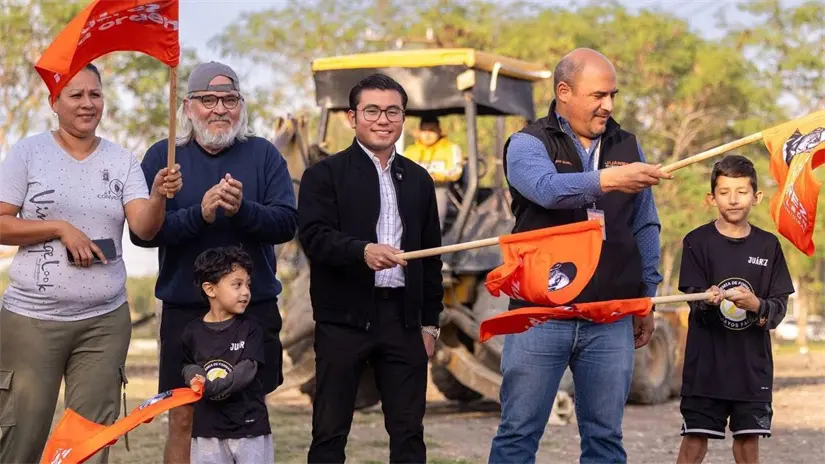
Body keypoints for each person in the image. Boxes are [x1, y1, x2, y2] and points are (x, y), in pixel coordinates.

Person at [487, 48, 673, 463]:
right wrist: (609, 179)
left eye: (613, 95)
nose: (608, 105)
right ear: (564, 91)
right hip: (540, 315)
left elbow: (645, 223)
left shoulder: (627, 144)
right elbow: (547, 190)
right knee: (518, 433)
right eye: (598, 95)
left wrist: (648, 294)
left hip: (610, 316)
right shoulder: (526, 143)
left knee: (605, 438)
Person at [0, 63, 182, 464]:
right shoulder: (28, 153)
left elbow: (145, 229)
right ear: (54, 102)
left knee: (89, 444)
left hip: (103, 322)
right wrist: (59, 228)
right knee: (20, 439)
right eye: (76, 95)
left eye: (94, 95)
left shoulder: (121, 161)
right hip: (32, 322)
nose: (87, 103)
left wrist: (157, 196)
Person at [129, 61, 298, 464]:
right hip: (186, 311)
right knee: (184, 417)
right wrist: (198, 215)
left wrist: (242, 210)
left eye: (230, 99)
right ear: (188, 107)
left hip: (249, 308)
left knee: (247, 414)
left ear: (241, 106)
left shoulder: (263, 155)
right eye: (208, 100)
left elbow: (287, 222)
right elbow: (141, 234)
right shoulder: (163, 156)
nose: (219, 108)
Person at [298, 73, 444, 464]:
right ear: (352, 117)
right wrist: (361, 252)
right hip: (343, 319)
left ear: (403, 118)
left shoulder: (418, 179)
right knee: (329, 431)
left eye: (392, 111)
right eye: (372, 111)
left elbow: (432, 257)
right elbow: (313, 237)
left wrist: (430, 324)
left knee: (409, 432)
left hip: (404, 320)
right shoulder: (323, 176)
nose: (383, 119)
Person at [676, 155, 794, 464]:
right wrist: (707, 298)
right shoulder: (696, 242)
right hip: (706, 367)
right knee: (693, 443)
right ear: (711, 197)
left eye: (741, 191)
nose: (733, 199)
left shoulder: (769, 246)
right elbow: (692, 296)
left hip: (751, 370)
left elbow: (778, 308)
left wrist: (756, 305)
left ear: (756, 197)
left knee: (747, 447)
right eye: (724, 191)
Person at [182, 246, 274, 464]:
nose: (246, 292)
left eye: (248, 285)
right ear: (210, 289)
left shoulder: (251, 328)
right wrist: (194, 376)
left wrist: (210, 386)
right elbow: (187, 364)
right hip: (207, 432)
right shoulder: (192, 332)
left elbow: (247, 369)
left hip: (249, 428)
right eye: (237, 285)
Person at [403, 115, 464, 226]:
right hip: (414, 191)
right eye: (424, 130)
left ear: (439, 131)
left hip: (440, 189)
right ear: (419, 132)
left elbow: (456, 171)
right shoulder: (410, 151)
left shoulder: (450, 148)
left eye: (431, 130)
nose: (427, 135)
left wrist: (435, 176)